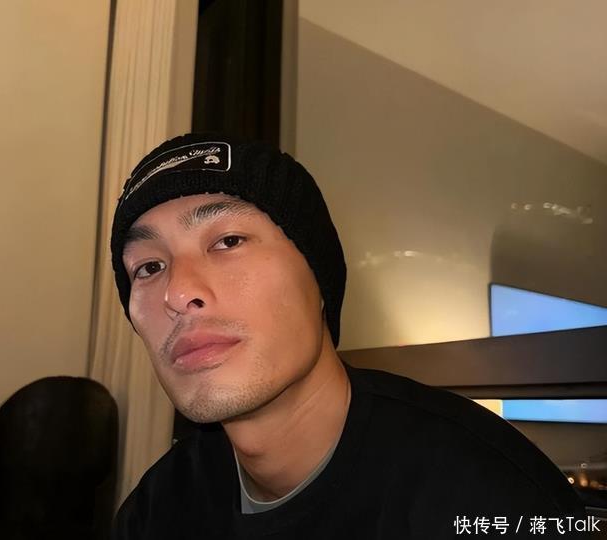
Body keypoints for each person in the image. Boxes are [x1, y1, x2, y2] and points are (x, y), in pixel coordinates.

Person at [110, 133, 589, 539]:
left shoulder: (489, 495)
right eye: (148, 267)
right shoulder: (159, 507)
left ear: (319, 280)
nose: (177, 292)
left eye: (228, 241)